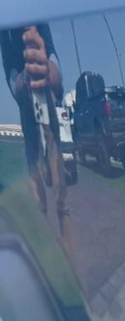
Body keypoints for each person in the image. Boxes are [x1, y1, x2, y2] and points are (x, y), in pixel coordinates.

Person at [1, 24, 72, 244]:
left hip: (45, 89)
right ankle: (42, 215)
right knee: (33, 152)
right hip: (25, 96)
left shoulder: (35, 15)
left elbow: (50, 47)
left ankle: (63, 211)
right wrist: (18, 83)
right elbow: (8, 64)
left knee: (53, 145)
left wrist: (52, 69)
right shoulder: (6, 28)